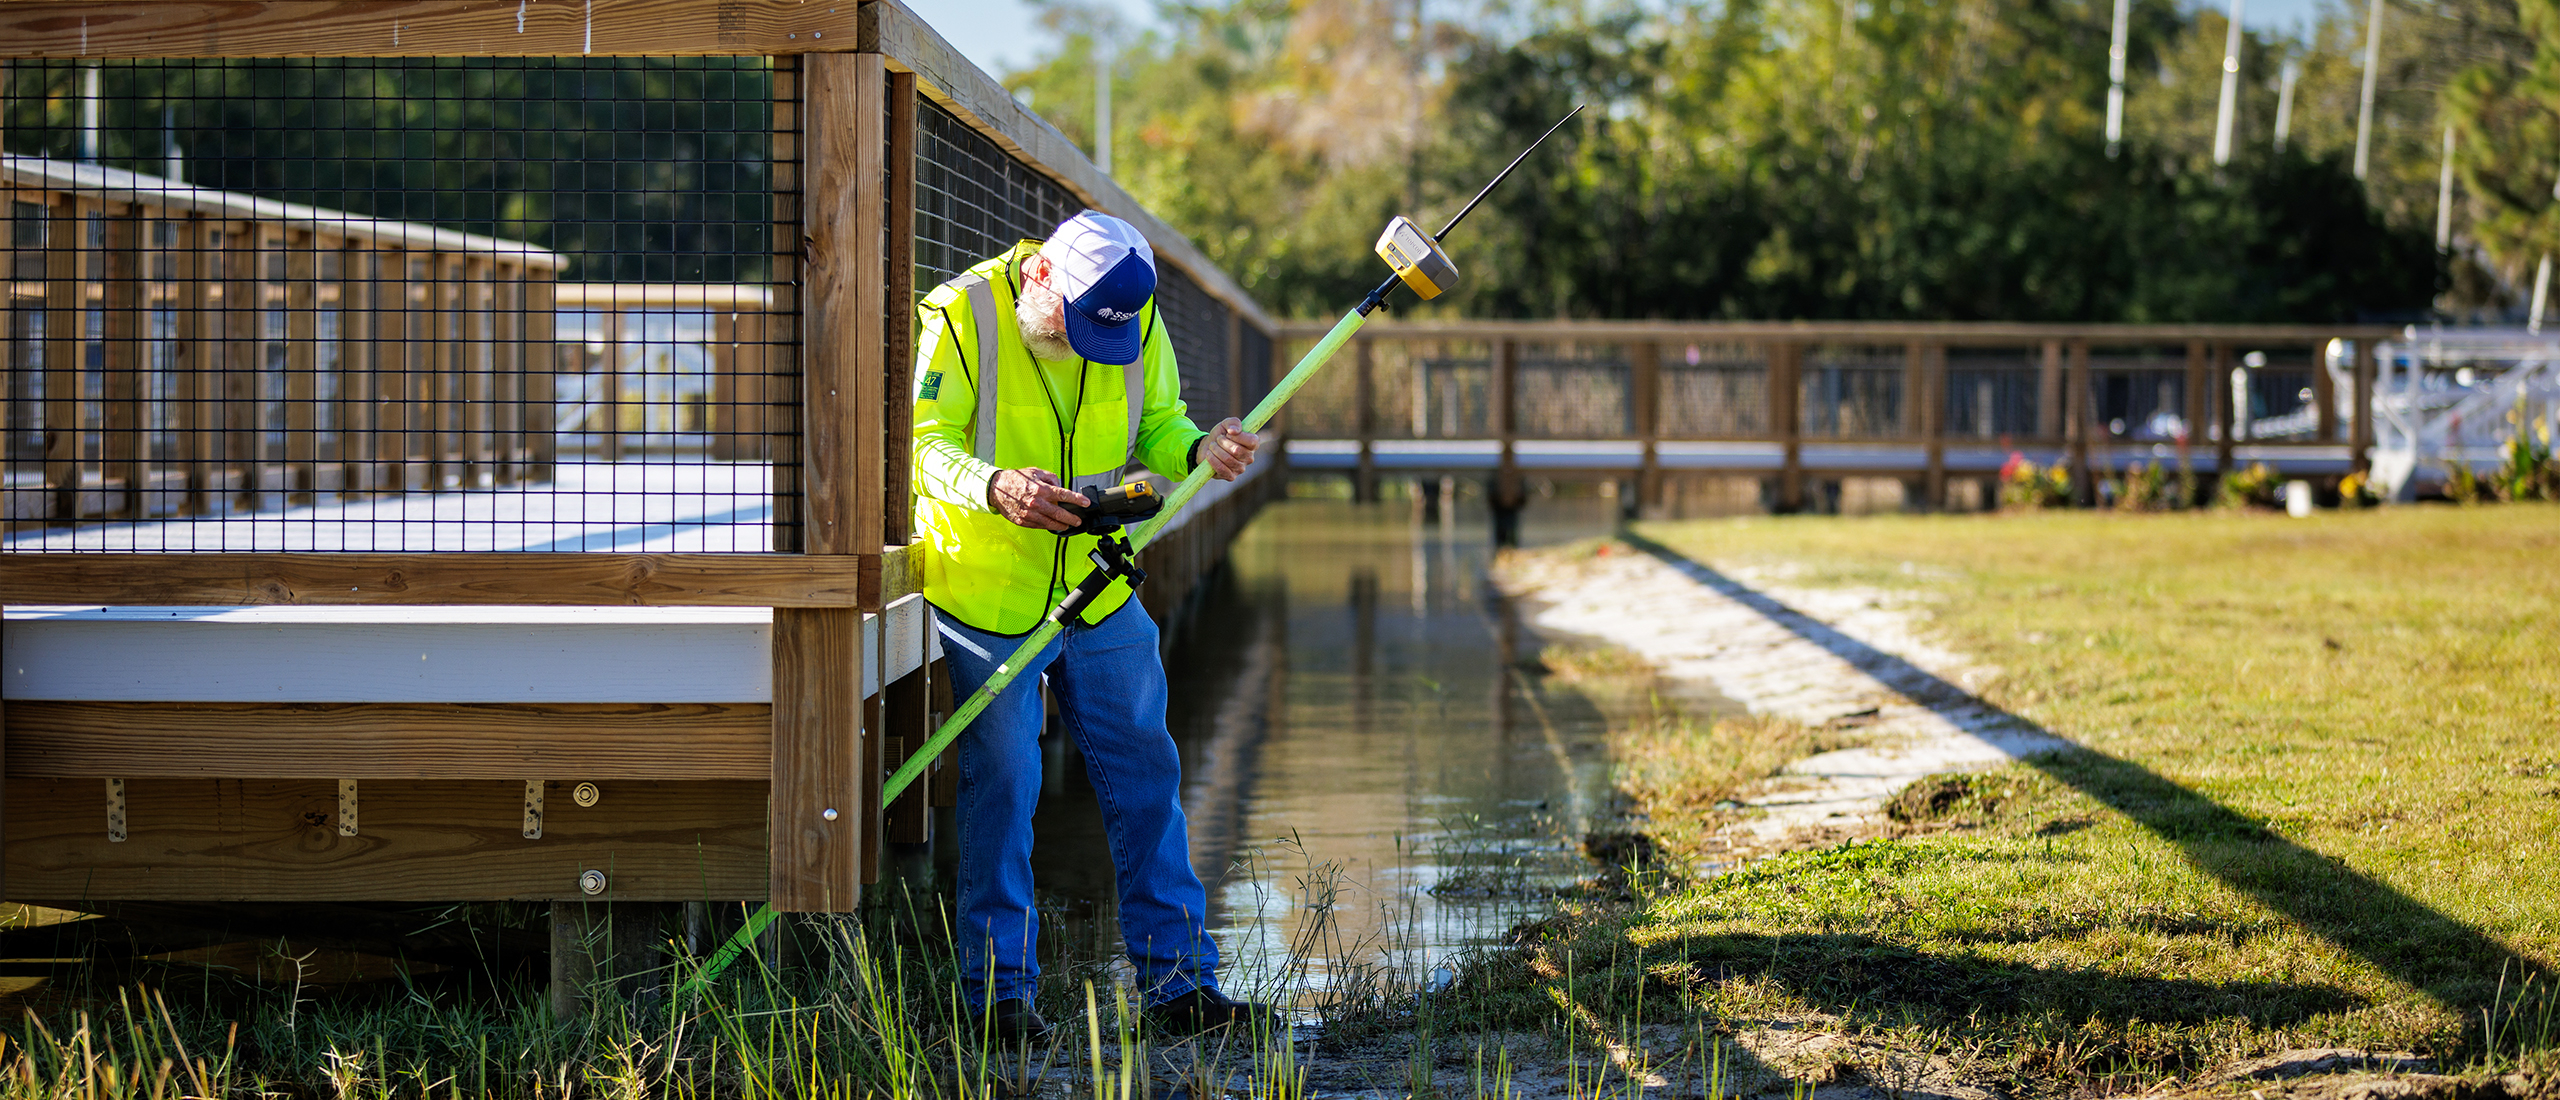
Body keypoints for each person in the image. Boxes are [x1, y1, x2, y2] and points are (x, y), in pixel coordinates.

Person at [909, 210, 1266, 1039]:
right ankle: (998, 997)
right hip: (989, 595)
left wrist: (1198, 450)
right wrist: (997, 485)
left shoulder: (1131, 312)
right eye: (1077, 331)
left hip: (1100, 588)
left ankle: (1179, 986)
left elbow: (1160, 422)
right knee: (1003, 784)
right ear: (1042, 280)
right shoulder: (962, 315)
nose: (1092, 348)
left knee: (1148, 773)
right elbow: (922, 446)